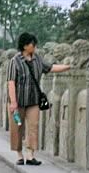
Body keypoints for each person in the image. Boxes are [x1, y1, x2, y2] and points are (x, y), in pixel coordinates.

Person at [7, 32, 70, 165]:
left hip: (34, 100)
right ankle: (19, 154)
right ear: (25, 46)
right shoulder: (15, 61)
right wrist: (13, 102)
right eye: (32, 44)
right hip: (18, 101)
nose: (34, 47)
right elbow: (11, 81)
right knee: (17, 127)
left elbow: (50, 68)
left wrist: (68, 67)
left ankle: (30, 154)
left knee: (33, 126)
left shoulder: (37, 59)